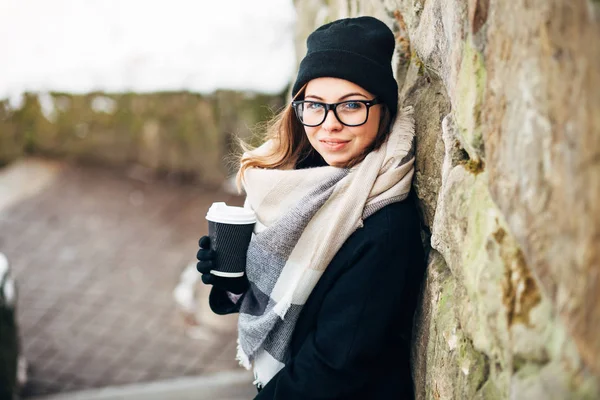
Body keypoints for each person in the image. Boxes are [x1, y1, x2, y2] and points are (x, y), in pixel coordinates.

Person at [196, 16, 426, 399]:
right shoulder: (299, 179)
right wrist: (234, 281)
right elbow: (276, 298)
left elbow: (332, 367)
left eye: (351, 106)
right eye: (315, 105)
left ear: (383, 110)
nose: (328, 125)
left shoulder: (383, 225)